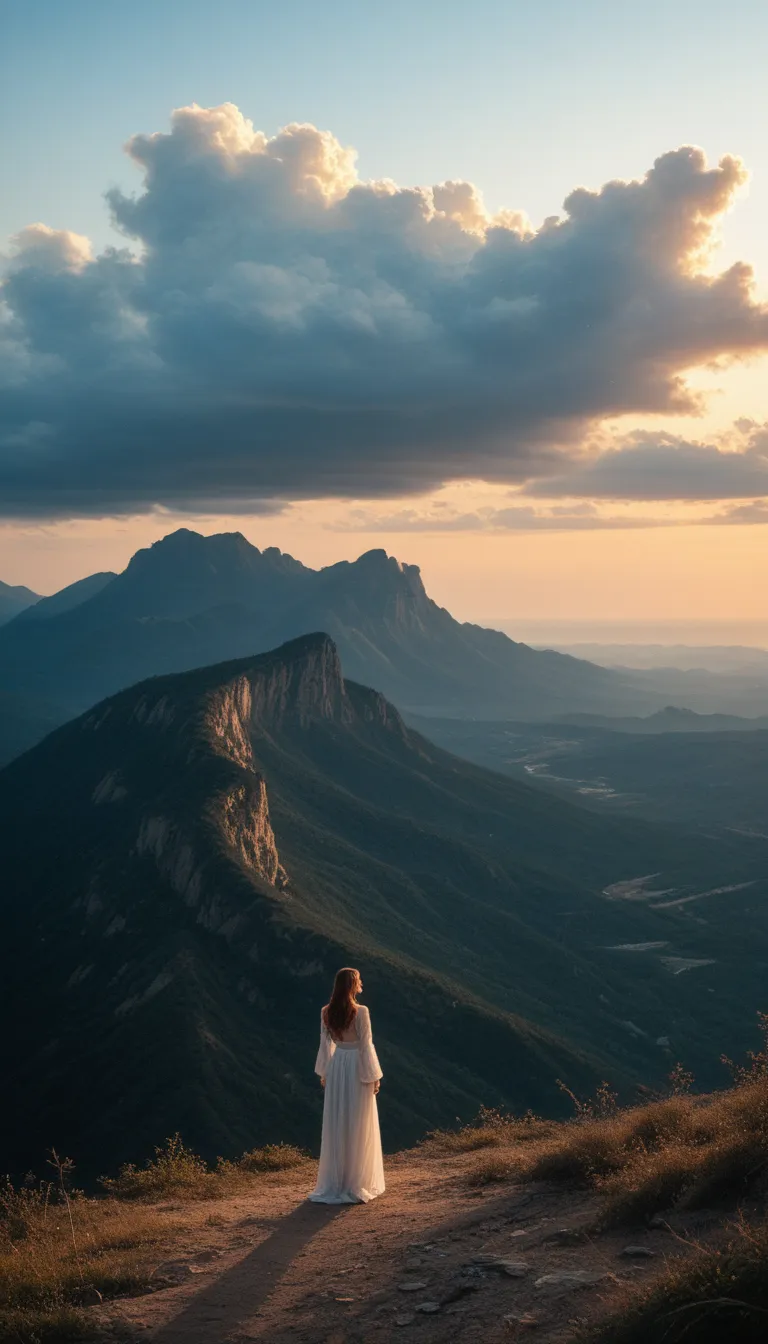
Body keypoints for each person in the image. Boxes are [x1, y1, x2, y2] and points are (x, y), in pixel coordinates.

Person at [308, 966, 385, 1204]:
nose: (362, 983)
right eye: (359, 980)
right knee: (358, 1120)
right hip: (355, 1067)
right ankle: (356, 1180)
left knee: (337, 1119)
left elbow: (325, 1045)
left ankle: (337, 1179)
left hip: (337, 1064)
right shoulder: (361, 1012)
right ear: (352, 984)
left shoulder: (325, 1012)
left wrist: (325, 1072)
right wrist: (374, 1075)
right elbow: (366, 1045)